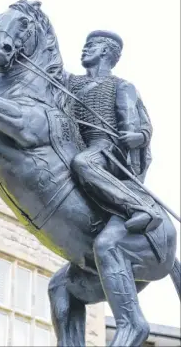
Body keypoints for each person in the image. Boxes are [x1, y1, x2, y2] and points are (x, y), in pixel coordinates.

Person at [66, 30, 160, 233]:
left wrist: (139, 136)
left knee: (84, 163)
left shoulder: (121, 85)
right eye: (86, 45)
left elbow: (144, 122)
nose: (85, 49)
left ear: (106, 51)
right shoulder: (70, 82)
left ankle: (138, 207)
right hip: (72, 141)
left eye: (91, 46)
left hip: (106, 147)